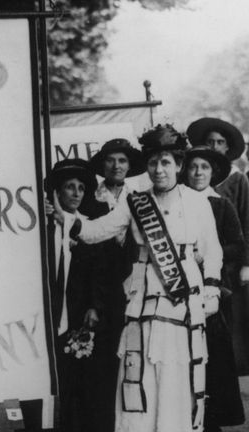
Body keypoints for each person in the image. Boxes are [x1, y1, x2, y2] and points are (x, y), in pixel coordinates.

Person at [50, 124, 222, 432]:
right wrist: (67, 218)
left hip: (183, 301)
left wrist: (212, 291)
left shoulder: (198, 203)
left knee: (177, 373)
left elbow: (212, 252)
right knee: (139, 372)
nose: (159, 169)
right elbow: (95, 231)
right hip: (142, 301)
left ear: (179, 166)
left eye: (166, 162)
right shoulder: (136, 202)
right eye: (154, 162)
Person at [182, 145, 245, 432]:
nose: (197, 173)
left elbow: (237, 245)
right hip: (179, 287)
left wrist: (207, 255)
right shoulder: (176, 201)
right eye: (193, 167)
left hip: (213, 288)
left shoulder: (220, 204)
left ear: (213, 172)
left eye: (204, 168)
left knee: (214, 356)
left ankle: (214, 419)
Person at [85, 138, 146, 431]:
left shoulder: (140, 198)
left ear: (129, 165)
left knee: (133, 357)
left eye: (122, 161)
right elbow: (86, 258)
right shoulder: (91, 200)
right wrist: (91, 303)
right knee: (103, 360)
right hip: (102, 291)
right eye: (111, 160)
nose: (117, 166)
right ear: (103, 164)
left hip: (134, 288)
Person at [45, 159, 109, 432]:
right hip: (50, 309)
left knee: (77, 377)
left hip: (76, 310)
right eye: (69, 187)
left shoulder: (88, 227)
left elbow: (99, 272)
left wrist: (94, 306)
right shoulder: (43, 226)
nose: (76, 193)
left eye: (81, 188)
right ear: (57, 193)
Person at [188, 117, 249, 374]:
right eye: (210, 141)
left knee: (230, 317)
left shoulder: (236, 181)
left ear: (227, 148)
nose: (214, 145)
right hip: (195, 262)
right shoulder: (193, 183)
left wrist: (246, 264)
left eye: (220, 142)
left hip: (229, 262)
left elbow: (246, 221)